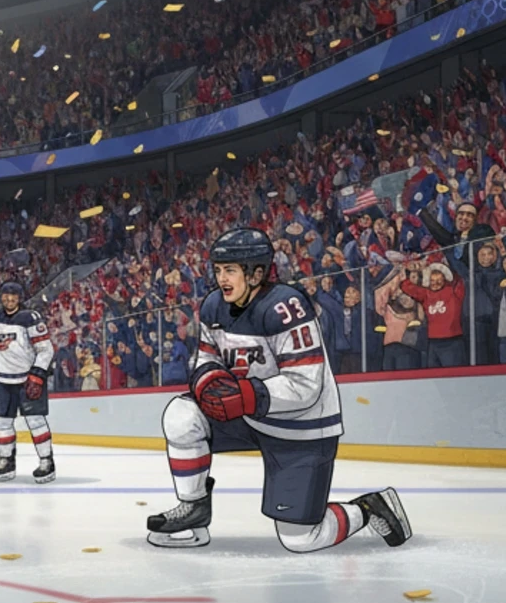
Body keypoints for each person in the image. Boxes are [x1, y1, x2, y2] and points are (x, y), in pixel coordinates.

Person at [148, 229, 410, 553]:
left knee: (300, 539)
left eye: (230, 270)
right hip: (250, 415)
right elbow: (206, 355)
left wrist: (245, 396)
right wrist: (209, 379)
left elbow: (306, 384)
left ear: (257, 272)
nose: (222, 278)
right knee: (181, 414)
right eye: (218, 270)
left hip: (301, 425)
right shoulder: (214, 305)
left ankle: (370, 509)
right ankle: (194, 509)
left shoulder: (286, 305)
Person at [0, 280, 58, 484]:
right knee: (2, 422)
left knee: (35, 420)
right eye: (5, 295)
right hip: (3, 380)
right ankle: (6, 462)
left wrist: (37, 374)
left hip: (27, 379)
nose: (9, 299)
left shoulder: (30, 317)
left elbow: (46, 348)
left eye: (13, 296)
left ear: (20, 298)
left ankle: (46, 462)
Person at [396, 262, 466, 367]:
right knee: (434, 375)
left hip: (452, 341)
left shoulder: (453, 291)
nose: (435, 283)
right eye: (432, 280)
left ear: (445, 280)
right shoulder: (426, 294)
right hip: (433, 341)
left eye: (439, 280)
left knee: (453, 376)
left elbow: (461, 278)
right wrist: (408, 271)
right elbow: (407, 287)